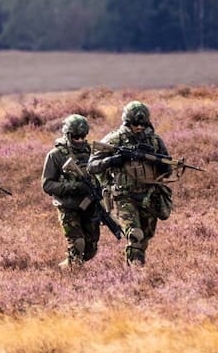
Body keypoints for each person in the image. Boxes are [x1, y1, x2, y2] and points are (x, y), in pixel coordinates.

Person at [88, 101, 172, 266]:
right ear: (127, 122)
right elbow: (92, 166)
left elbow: (168, 170)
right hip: (124, 196)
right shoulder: (115, 139)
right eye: (135, 124)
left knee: (144, 240)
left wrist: (159, 163)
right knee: (135, 235)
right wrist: (114, 160)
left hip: (149, 195)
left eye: (143, 123)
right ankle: (135, 275)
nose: (139, 127)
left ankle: (137, 269)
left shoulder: (155, 141)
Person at [41, 114, 99, 268]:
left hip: (89, 205)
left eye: (82, 136)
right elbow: (47, 185)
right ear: (67, 135)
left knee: (91, 249)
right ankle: (73, 276)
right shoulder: (56, 155)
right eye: (76, 137)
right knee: (78, 243)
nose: (80, 140)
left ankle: (68, 266)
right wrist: (74, 187)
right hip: (68, 206)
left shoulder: (92, 153)